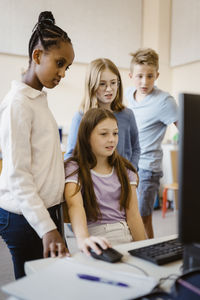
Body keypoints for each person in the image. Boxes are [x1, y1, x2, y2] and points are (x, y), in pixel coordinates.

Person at [0, 11, 75, 279]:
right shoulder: (17, 104)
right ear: (37, 56)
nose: (63, 73)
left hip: (47, 211)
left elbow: (43, 159)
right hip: (24, 218)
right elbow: (19, 177)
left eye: (67, 67)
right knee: (34, 290)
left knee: (54, 285)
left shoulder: (37, 99)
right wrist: (46, 228)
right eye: (60, 63)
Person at [64, 108, 146, 256]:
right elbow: (74, 206)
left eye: (115, 133)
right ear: (87, 136)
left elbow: (133, 214)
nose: (111, 139)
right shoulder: (74, 168)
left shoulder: (126, 170)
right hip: (95, 239)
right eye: (104, 134)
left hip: (125, 236)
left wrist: (146, 248)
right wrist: (83, 240)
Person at [125, 48, 178, 239]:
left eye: (150, 76)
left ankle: (150, 251)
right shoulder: (128, 95)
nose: (144, 81)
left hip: (147, 168)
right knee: (127, 217)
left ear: (157, 75)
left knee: (142, 217)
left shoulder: (165, 101)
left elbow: (187, 129)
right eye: (139, 76)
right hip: (127, 165)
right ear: (131, 75)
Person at [64, 58, 140, 170]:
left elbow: (136, 148)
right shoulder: (81, 117)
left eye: (113, 83)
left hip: (123, 180)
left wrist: (131, 173)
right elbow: (71, 155)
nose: (109, 89)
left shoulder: (128, 115)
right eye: (102, 84)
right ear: (92, 85)